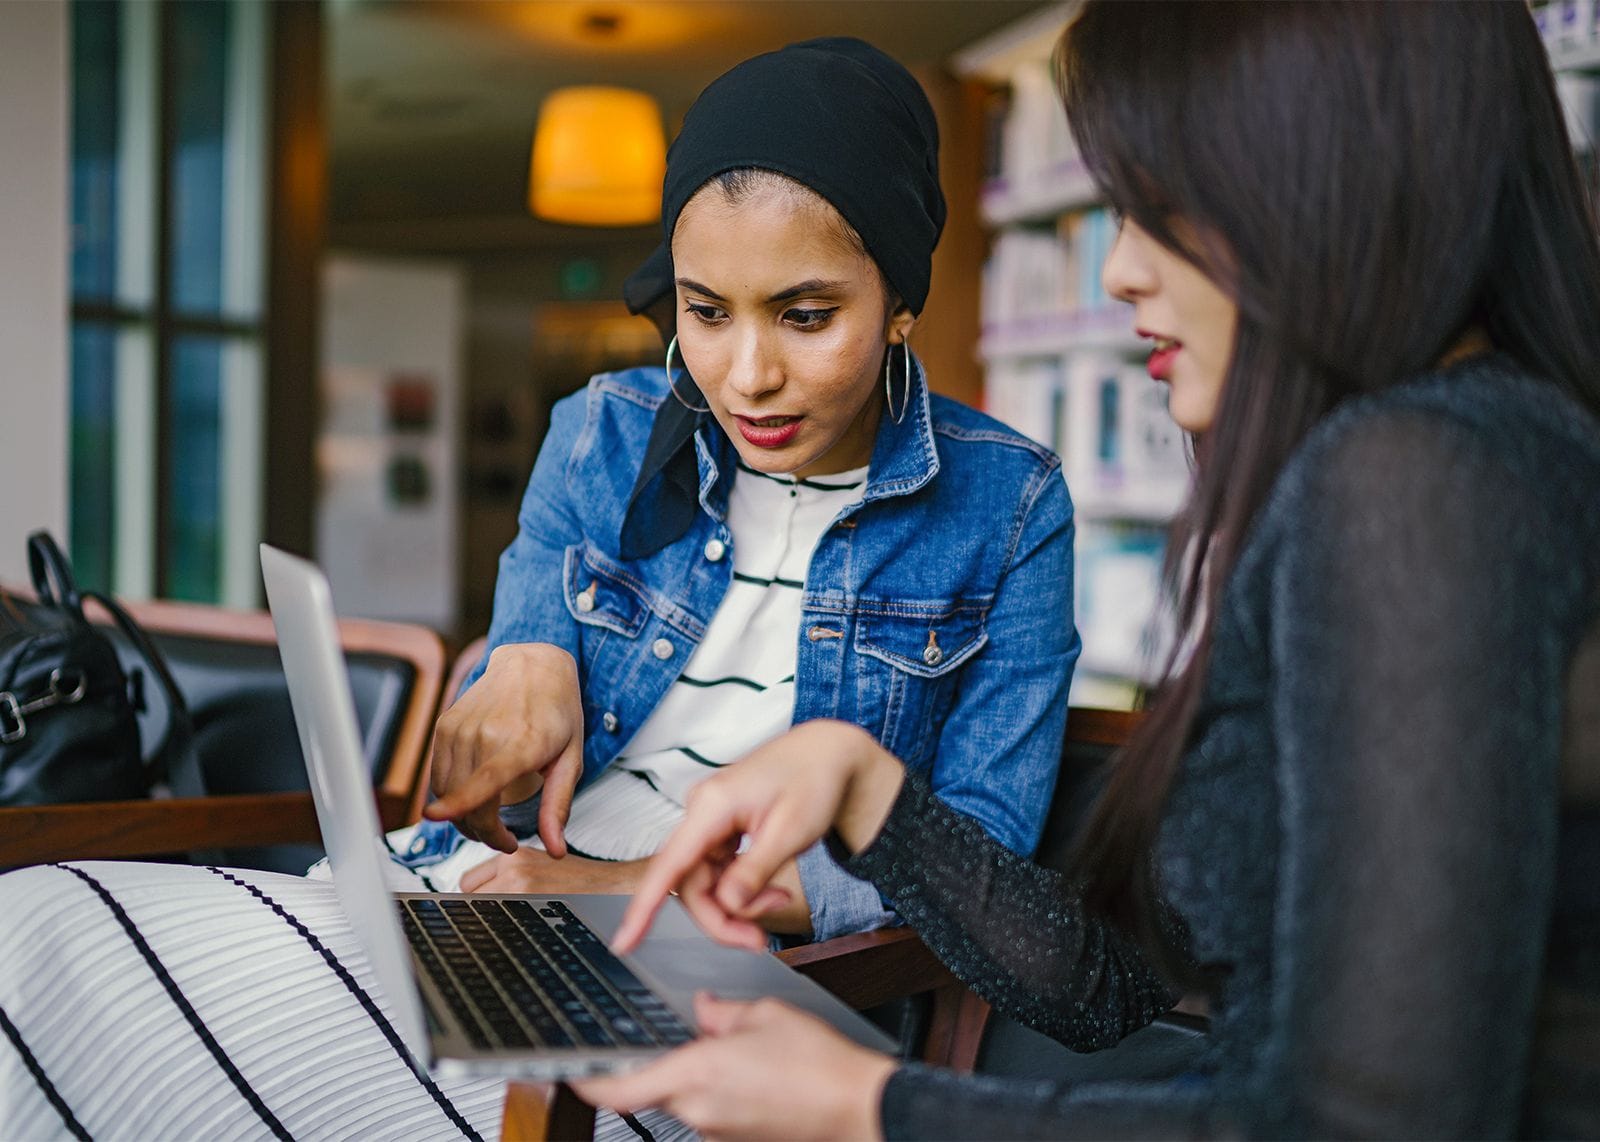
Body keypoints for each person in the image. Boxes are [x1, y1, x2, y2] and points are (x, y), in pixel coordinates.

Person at [0, 38, 1078, 1141]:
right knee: (30, 925)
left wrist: (619, 880)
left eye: (805, 316)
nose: (746, 374)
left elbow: (973, 858)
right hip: (484, 895)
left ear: (901, 299)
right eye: (705, 311)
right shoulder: (603, 430)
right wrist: (521, 650)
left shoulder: (1009, 505)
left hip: (733, 979)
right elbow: (520, 652)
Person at [574, 3, 1600, 1138]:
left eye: (1159, 208)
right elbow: (1111, 987)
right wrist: (869, 790)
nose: (1118, 271)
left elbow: (1365, 1124)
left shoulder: (1417, 478)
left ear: (1331, 176)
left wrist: (865, 1105)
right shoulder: (1469, 455)